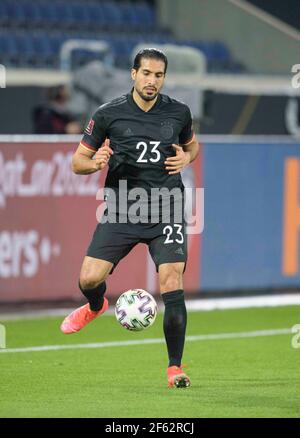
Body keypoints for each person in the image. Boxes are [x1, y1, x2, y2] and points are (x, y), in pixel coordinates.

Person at [60, 48, 199, 388]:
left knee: (171, 281)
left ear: (163, 78)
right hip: (123, 210)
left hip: (166, 208)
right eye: (147, 73)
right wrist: (94, 163)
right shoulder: (109, 114)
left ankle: (174, 369)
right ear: (133, 74)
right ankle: (95, 306)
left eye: (159, 75)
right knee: (89, 279)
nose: (152, 80)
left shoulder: (178, 112)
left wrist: (186, 159)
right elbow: (78, 161)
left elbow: (192, 146)